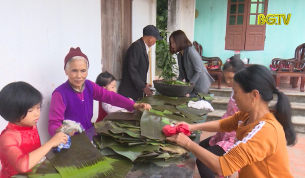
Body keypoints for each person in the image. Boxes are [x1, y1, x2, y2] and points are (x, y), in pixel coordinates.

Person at [167, 65, 296, 178]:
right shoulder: (246, 115)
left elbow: (222, 166)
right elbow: (224, 124)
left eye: (236, 92)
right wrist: (191, 127)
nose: (233, 96)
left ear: (254, 95)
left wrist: (187, 143)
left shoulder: (266, 130)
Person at [48, 47, 151, 136]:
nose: (79, 76)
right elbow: (53, 124)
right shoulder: (60, 94)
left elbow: (111, 97)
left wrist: (134, 105)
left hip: (89, 135)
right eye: (74, 70)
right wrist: (62, 130)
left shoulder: (89, 86)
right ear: (66, 71)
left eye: (83, 71)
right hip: (71, 141)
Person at [0, 82, 68, 178]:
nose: (37, 113)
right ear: (13, 112)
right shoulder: (7, 138)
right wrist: (51, 143)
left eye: (38, 107)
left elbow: (37, 152)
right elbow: (22, 166)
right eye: (31, 110)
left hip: (34, 173)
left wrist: (62, 134)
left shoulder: (31, 126)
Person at [196, 56, 244, 178]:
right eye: (226, 78)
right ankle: (220, 171)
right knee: (200, 147)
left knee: (203, 161)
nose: (228, 81)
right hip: (225, 131)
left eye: (231, 78)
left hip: (234, 138)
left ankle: (221, 169)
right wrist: (193, 127)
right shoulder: (235, 90)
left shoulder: (245, 96)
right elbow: (225, 123)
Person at [118, 25, 162, 101]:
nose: (155, 41)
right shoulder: (136, 47)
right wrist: (143, 86)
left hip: (135, 92)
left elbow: (139, 70)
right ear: (150, 38)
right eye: (156, 39)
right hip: (130, 93)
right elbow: (132, 69)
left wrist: (144, 84)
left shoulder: (142, 47)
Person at [169, 30, 214, 97]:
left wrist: (188, 86)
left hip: (201, 86)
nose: (171, 45)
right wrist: (173, 84)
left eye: (173, 42)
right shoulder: (179, 56)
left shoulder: (191, 51)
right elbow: (181, 75)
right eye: (171, 43)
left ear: (179, 41)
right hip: (191, 87)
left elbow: (199, 71)